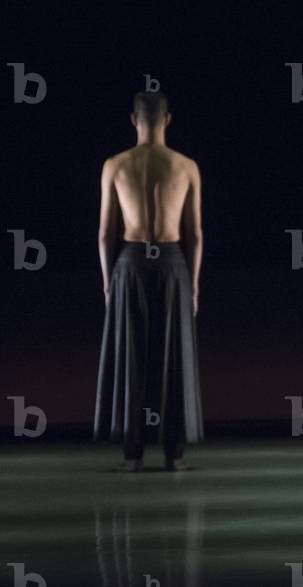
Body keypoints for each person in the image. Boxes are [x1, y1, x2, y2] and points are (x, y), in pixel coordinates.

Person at [94, 91, 204, 472]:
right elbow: (196, 234)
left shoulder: (115, 165)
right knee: (171, 356)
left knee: (133, 357)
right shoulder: (186, 166)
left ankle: (133, 455)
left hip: (130, 260)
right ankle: (174, 455)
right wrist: (194, 285)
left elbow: (105, 234)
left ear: (133, 120)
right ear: (168, 120)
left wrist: (109, 283)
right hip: (172, 262)